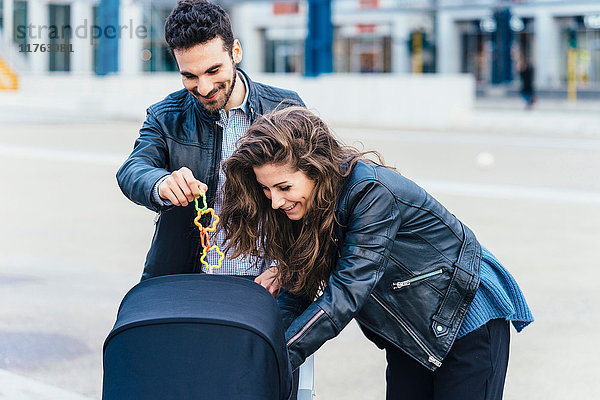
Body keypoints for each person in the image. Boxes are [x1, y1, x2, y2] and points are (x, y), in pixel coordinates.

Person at [220, 107, 533, 400]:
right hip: (410, 331)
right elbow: (298, 288)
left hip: (464, 314)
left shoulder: (371, 193)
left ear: (316, 169)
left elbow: (346, 292)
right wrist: (264, 346)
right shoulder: (303, 208)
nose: (275, 201)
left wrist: (275, 359)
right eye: (266, 189)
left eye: (284, 188)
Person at [116, 0, 304, 283]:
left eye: (213, 71)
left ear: (236, 52)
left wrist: (289, 266)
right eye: (189, 76)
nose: (203, 88)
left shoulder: (286, 106)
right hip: (190, 279)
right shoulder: (165, 116)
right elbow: (133, 170)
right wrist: (161, 183)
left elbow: (318, 193)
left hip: (270, 283)